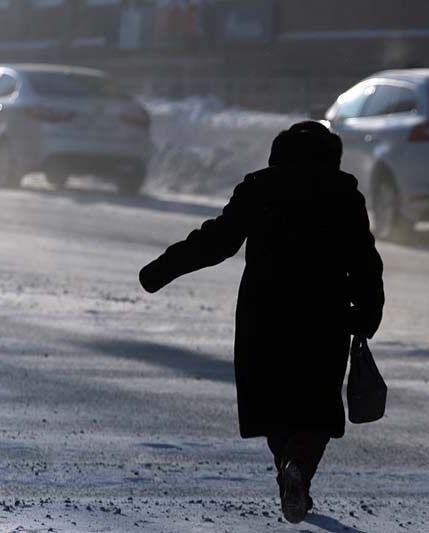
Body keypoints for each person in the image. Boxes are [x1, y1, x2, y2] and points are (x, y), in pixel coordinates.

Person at [139, 121, 385, 524]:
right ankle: (299, 469)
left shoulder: (260, 187)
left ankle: (288, 471)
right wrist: (368, 311)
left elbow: (217, 240)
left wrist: (162, 269)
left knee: (274, 404)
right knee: (316, 406)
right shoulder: (343, 195)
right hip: (325, 315)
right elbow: (364, 260)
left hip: (263, 313)